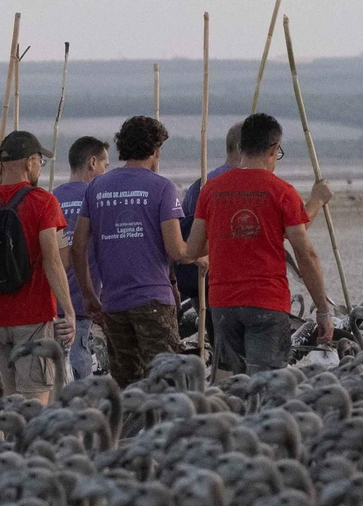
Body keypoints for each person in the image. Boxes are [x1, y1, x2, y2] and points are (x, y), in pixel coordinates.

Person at [183, 113, 335, 374]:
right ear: (274, 149)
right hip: (266, 300)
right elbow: (305, 253)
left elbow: (192, 250)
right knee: (267, 383)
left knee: (232, 382)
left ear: (240, 147)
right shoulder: (282, 191)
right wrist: (322, 309)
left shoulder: (211, 190)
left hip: (222, 302)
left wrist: (227, 236)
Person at [71, 116, 194, 387]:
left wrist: (89, 293)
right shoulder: (162, 187)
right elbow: (176, 250)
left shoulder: (96, 187)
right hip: (152, 300)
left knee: (128, 387)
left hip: (113, 303)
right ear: (155, 149)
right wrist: (200, 252)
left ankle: (130, 430)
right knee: (167, 385)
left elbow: (78, 246)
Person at [0, 130, 76, 402]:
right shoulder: (43, 202)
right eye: (39, 162)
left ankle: (7, 445)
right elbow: (53, 260)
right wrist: (68, 310)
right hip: (33, 317)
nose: (39, 167)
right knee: (35, 400)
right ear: (30, 162)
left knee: (4, 400)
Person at [51, 136, 110, 379]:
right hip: (84, 298)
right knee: (80, 358)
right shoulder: (98, 198)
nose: (107, 171)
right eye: (106, 165)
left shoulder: (52, 197)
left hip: (53, 299)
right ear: (92, 162)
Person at [177, 121, 242, 324]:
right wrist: (316, 202)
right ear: (243, 149)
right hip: (235, 285)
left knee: (218, 342)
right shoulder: (246, 185)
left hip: (202, 286)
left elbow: (187, 233)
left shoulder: (199, 184)